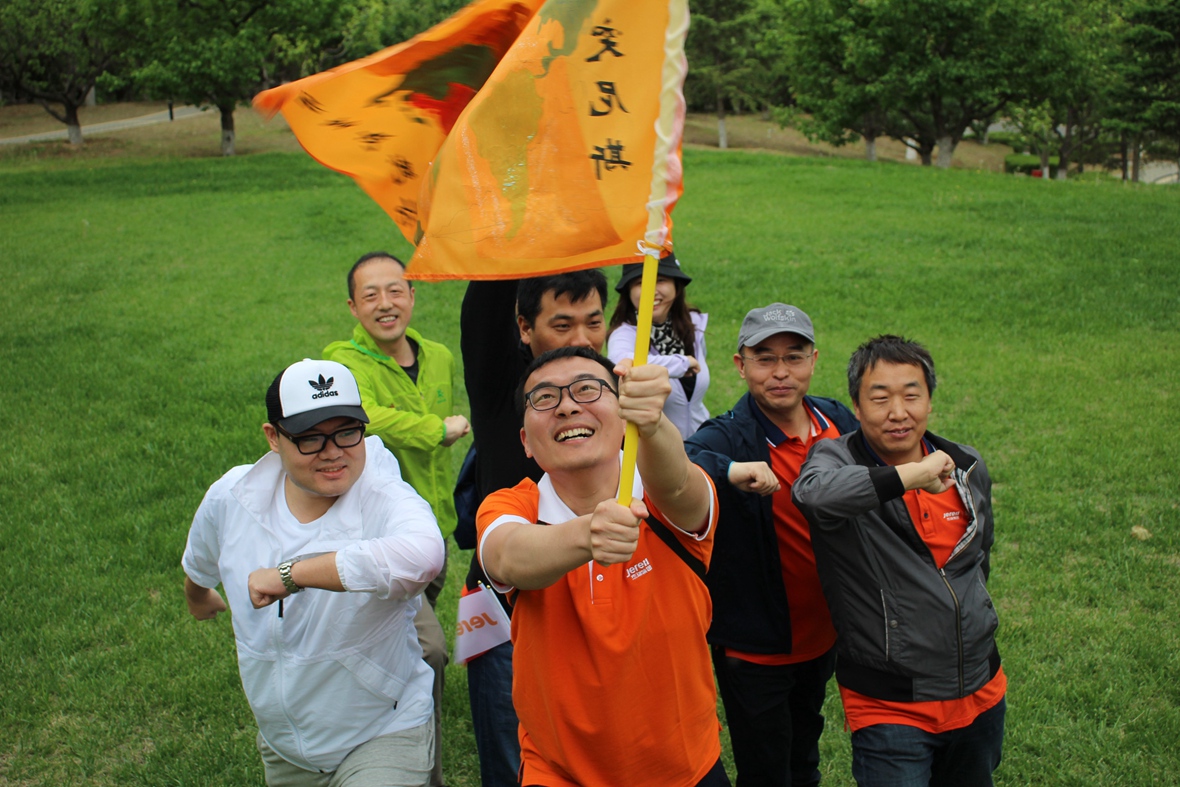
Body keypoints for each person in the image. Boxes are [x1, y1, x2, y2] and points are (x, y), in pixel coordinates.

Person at [181, 359, 445, 787]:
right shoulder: (233, 497)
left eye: (347, 431)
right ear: (273, 437)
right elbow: (200, 559)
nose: (333, 451)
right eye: (310, 438)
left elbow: (423, 555)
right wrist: (197, 596)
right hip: (285, 748)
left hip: (383, 729)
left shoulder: (383, 495)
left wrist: (291, 575)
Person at [477, 346, 729, 787]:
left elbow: (680, 488)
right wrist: (586, 534)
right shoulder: (512, 506)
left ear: (624, 412)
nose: (567, 406)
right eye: (544, 398)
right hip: (557, 775)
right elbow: (507, 555)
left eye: (587, 389)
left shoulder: (662, 498)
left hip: (688, 770)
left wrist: (653, 423)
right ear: (526, 442)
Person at [793, 336, 1006, 787]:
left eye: (911, 395)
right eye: (879, 398)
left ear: (929, 400)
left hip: (981, 690)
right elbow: (813, 496)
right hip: (890, 706)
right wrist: (912, 475)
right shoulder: (834, 459)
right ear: (856, 405)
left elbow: (978, 562)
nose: (898, 412)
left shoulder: (965, 465)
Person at [685, 304, 858, 787]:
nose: (781, 372)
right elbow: (681, 460)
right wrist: (730, 471)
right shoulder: (727, 436)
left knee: (803, 756)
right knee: (765, 771)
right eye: (764, 358)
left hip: (823, 634)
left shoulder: (835, 419)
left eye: (794, 357)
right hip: (755, 650)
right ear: (740, 366)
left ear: (814, 361)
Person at [323, 251, 469, 787]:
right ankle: (413, 755)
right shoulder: (340, 364)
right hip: (379, 532)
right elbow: (365, 419)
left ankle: (375, 713)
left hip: (434, 525)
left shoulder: (438, 356)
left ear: (412, 296)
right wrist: (435, 429)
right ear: (353, 307)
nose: (385, 304)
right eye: (371, 295)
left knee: (400, 642)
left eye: (395, 291)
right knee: (428, 650)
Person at [458, 271, 609, 787]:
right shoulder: (504, 384)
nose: (582, 340)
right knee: (514, 759)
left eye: (594, 322)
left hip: (606, 594)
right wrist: (516, 232)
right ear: (523, 327)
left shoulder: (615, 388)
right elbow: (485, 303)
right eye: (561, 325)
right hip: (506, 607)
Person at [607, 251, 709, 438]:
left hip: (702, 442)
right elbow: (620, 362)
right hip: (658, 449)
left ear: (676, 286)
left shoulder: (693, 324)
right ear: (629, 292)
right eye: (640, 283)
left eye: (660, 280)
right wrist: (681, 363)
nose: (651, 290)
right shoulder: (624, 333)